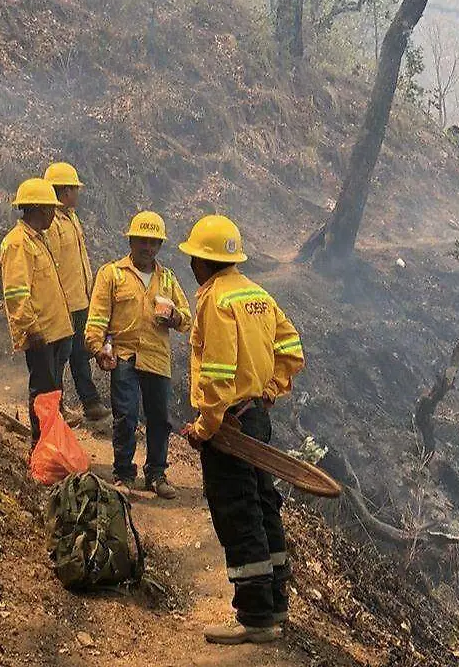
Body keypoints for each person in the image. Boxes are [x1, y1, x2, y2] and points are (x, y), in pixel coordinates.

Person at [178, 214, 305, 645]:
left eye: (193, 258)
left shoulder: (216, 301)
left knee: (238, 509)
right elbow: (291, 348)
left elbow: (215, 376)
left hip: (230, 423)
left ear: (203, 261)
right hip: (257, 418)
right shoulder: (257, 294)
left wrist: (205, 427)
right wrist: (271, 389)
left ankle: (254, 616)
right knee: (263, 502)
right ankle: (275, 602)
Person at [85, 211, 191, 498]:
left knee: (159, 418)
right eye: (142, 241)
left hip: (157, 357)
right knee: (126, 417)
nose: (148, 247)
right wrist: (97, 348)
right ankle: (123, 474)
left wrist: (174, 318)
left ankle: (156, 474)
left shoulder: (167, 279)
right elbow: (97, 318)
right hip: (124, 356)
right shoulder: (112, 274)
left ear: (159, 246)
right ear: (131, 241)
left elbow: (188, 320)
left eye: (153, 242)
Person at [0, 177, 76, 442]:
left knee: (51, 392)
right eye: (51, 209)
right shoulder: (18, 243)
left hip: (53, 331)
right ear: (40, 209)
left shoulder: (38, 240)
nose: (54, 215)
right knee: (43, 393)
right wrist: (31, 330)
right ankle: (41, 448)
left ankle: (52, 446)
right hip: (40, 333)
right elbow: (16, 294)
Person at [44, 162, 110, 421]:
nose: (78, 194)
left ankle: (90, 402)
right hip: (63, 303)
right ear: (64, 191)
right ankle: (55, 409)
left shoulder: (70, 217)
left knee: (81, 353)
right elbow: (51, 266)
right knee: (60, 358)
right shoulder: (52, 223)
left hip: (80, 300)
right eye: (75, 189)